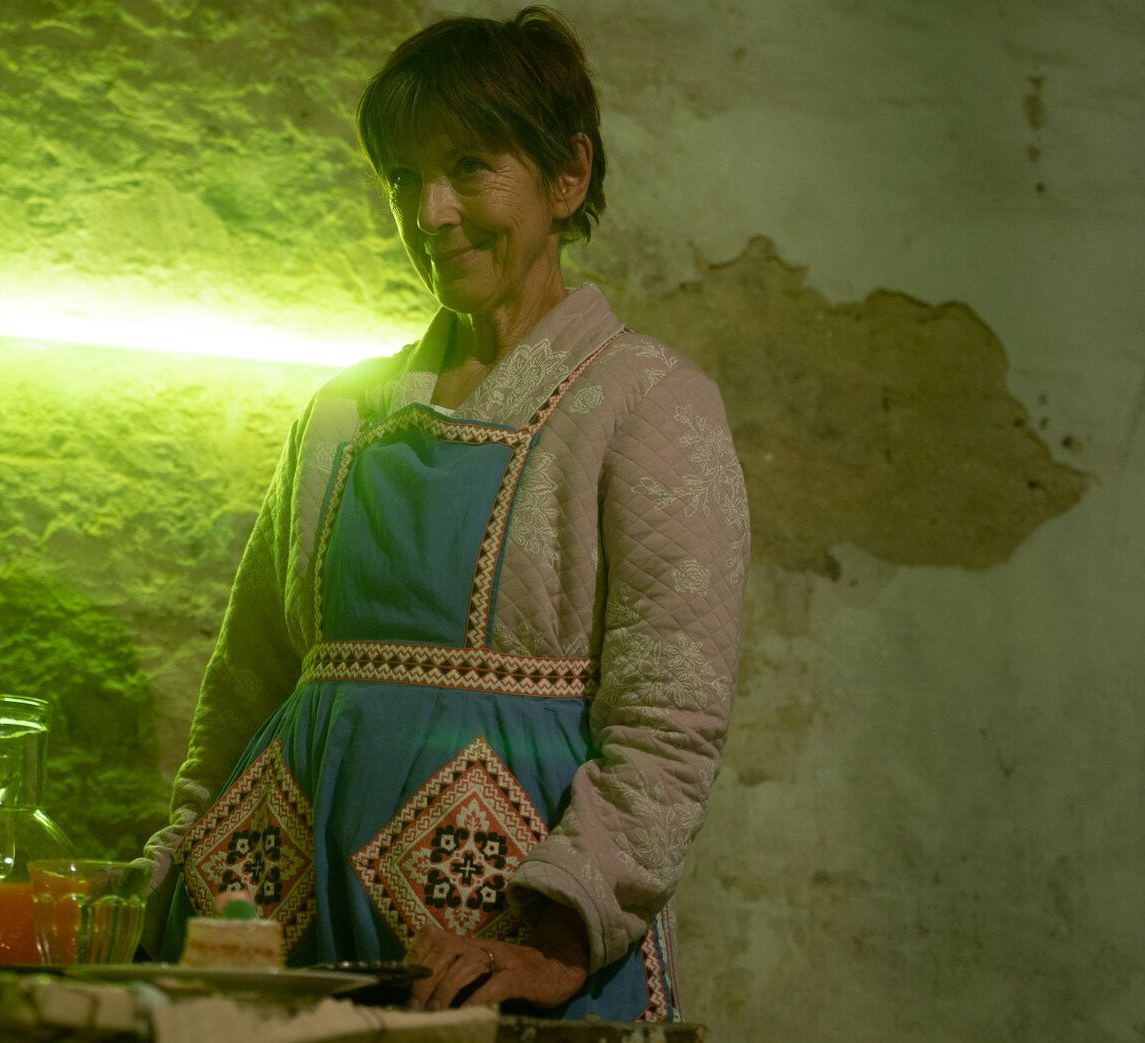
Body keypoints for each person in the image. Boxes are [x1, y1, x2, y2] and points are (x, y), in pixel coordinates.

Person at [141, 6, 747, 1022]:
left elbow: (668, 726)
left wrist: (557, 936)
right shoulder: (339, 415)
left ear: (568, 176)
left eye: (470, 167)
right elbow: (244, 695)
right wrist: (169, 873)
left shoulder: (647, 404)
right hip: (290, 955)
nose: (428, 211)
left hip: (507, 964)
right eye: (401, 178)